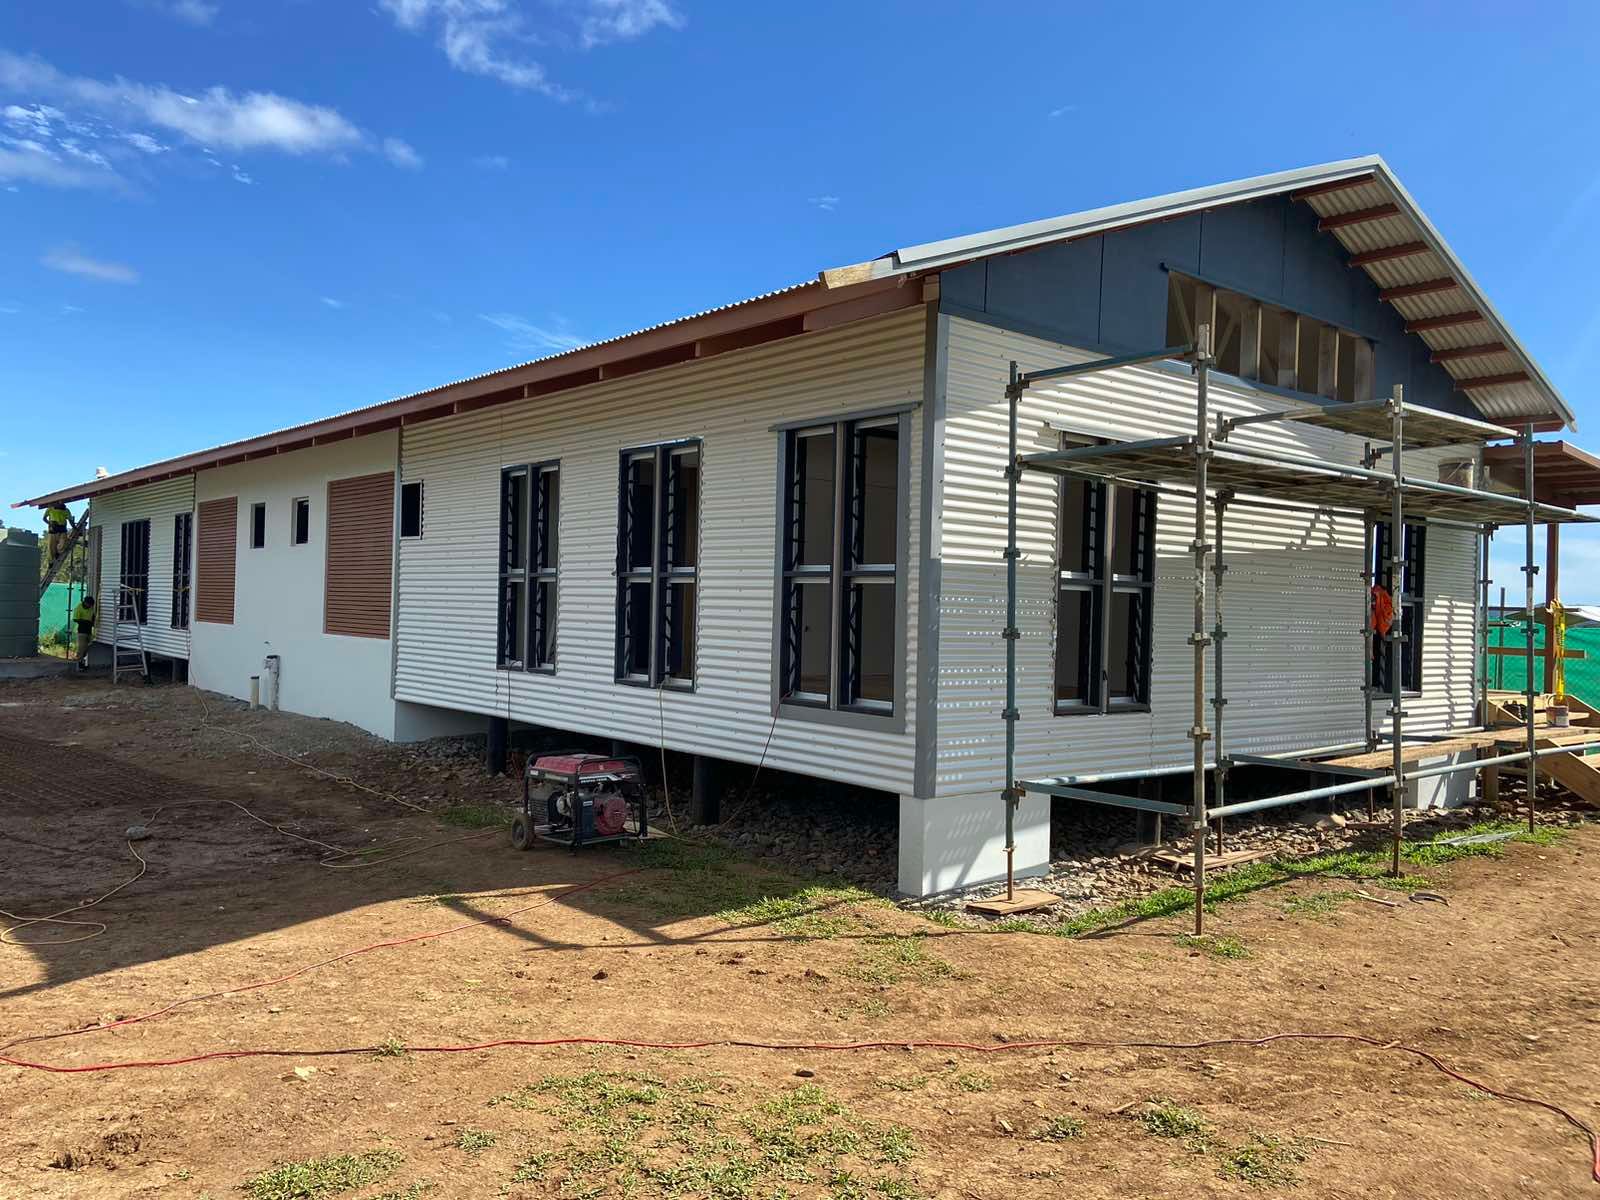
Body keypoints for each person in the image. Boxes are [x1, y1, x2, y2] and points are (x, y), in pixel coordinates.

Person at [71, 594, 97, 671]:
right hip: (81, 630)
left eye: (91, 605)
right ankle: (78, 665)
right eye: (89, 605)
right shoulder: (78, 608)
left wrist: (93, 622)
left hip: (89, 630)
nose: (90, 606)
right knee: (81, 648)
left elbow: (92, 616)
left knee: (88, 647)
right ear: (85, 603)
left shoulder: (90, 608)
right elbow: (75, 619)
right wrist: (86, 622)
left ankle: (82, 662)